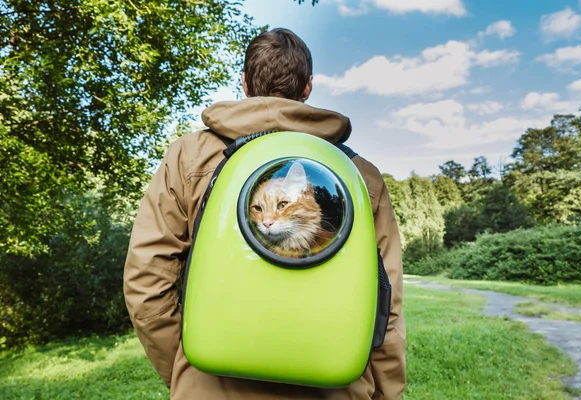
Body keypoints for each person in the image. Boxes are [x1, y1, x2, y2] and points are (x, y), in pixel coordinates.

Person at [123, 27, 406, 400]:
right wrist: (385, 392)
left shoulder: (188, 155)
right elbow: (385, 302)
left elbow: (146, 282)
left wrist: (184, 370)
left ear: (244, 83)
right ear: (307, 88)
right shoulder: (359, 174)